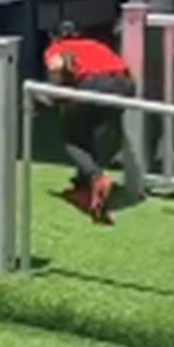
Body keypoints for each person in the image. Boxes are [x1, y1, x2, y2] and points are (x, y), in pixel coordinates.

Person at [43, 21, 134, 225]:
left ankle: (96, 178)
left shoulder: (57, 48)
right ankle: (85, 186)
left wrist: (48, 99)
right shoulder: (94, 44)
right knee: (91, 129)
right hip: (125, 86)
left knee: (71, 138)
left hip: (94, 85)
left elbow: (57, 69)